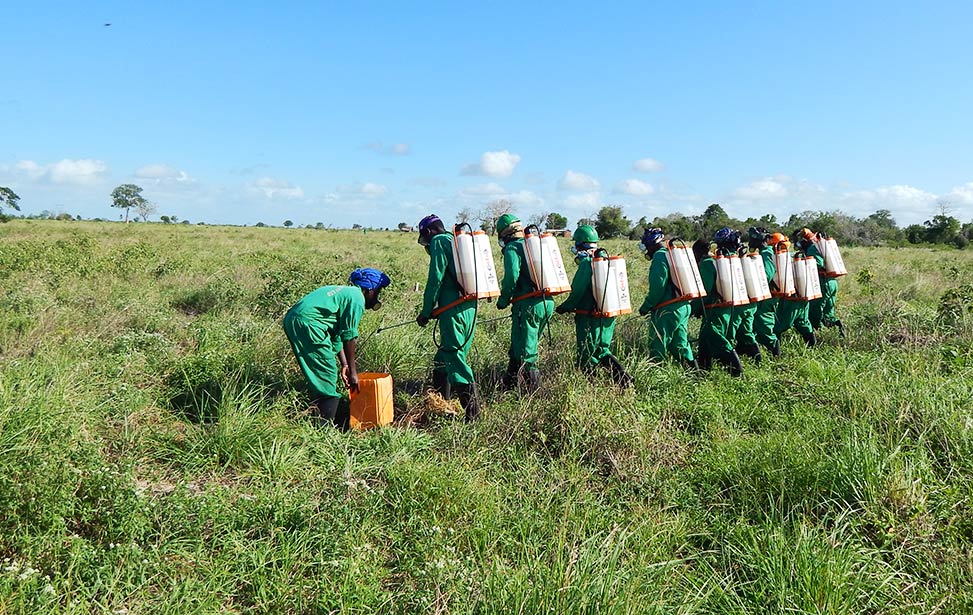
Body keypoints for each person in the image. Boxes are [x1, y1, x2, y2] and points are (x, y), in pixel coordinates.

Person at [283, 268, 390, 428]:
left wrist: (345, 364)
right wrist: (354, 373)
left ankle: (320, 415)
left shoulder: (347, 293)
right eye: (378, 292)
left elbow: (336, 335)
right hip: (308, 324)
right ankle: (322, 429)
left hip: (295, 319)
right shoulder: (357, 299)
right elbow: (349, 336)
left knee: (323, 372)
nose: (377, 297)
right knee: (327, 373)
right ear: (369, 290)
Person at [415, 214, 480, 422]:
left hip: (453, 310)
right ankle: (440, 400)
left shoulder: (439, 241)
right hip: (469, 308)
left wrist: (425, 312)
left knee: (454, 357)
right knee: (443, 357)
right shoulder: (455, 240)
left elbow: (435, 278)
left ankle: (473, 415)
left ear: (429, 232)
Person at [555, 225, 633, 388]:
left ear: (580, 244)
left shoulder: (587, 262)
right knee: (602, 350)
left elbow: (578, 290)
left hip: (589, 318)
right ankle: (625, 382)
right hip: (608, 316)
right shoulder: (605, 259)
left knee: (586, 354)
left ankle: (591, 388)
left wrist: (565, 307)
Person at [495, 213, 554, 392]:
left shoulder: (512, 248)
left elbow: (512, 276)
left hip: (527, 305)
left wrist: (503, 299)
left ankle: (533, 394)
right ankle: (509, 383)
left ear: (504, 234)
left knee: (528, 350)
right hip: (546, 302)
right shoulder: (533, 245)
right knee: (520, 344)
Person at [637, 227, 697, 368]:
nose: (645, 249)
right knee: (680, 344)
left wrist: (646, 306)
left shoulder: (659, 256)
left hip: (668, 309)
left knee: (657, 343)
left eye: (645, 245)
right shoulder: (671, 253)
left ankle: (654, 377)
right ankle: (696, 374)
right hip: (683, 306)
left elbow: (658, 286)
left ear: (651, 244)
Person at [696, 228, 744, 376]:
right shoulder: (729, 261)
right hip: (727, 307)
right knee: (704, 340)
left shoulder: (708, 263)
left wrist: (695, 307)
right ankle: (703, 372)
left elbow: (705, 290)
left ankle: (738, 373)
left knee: (717, 339)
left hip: (715, 309)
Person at [734, 227, 772, 362]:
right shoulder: (762, 253)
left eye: (752, 239)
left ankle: (774, 357)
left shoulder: (767, 254)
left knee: (764, 328)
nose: (750, 242)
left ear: (759, 239)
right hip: (758, 294)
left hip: (764, 296)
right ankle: (748, 354)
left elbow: (766, 276)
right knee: (746, 330)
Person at [773, 230, 816, 347]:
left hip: (790, 300)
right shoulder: (793, 255)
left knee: (778, 325)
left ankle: (776, 353)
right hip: (804, 294)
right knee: (803, 322)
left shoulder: (778, 260)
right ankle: (813, 346)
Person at [804, 229, 846, 337]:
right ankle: (836, 325)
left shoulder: (813, 248)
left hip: (823, 282)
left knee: (816, 308)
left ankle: (817, 332)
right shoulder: (822, 246)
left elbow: (818, 263)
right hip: (832, 282)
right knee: (828, 308)